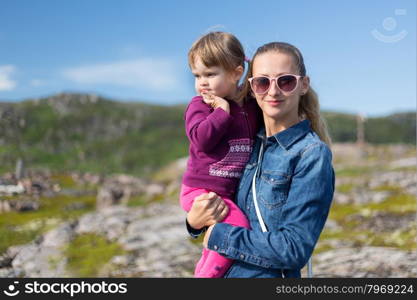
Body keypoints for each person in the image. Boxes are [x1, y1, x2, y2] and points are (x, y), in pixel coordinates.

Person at [186, 41, 335, 278]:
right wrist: (194, 224)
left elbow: (294, 248)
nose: (273, 91)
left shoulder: (311, 154)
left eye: (285, 81)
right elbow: (226, 207)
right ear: (252, 87)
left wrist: (219, 236)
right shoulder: (247, 144)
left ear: (303, 85)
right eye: (262, 82)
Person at [180, 31, 262, 278]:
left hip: (224, 194)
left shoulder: (249, 107)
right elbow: (201, 139)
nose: (202, 82)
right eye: (197, 75)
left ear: (236, 73)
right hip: (200, 191)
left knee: (213, 246)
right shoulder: (200, 106)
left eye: (210, 74)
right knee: (236, 228)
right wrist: (221, 112)